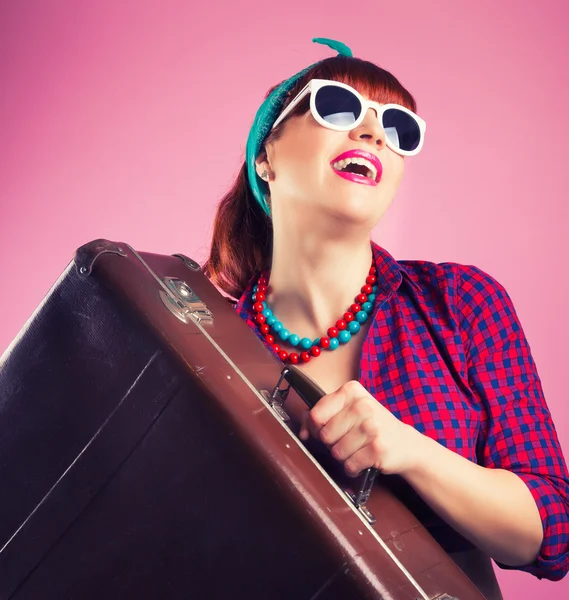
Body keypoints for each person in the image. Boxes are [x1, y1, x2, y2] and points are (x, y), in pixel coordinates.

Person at [203, 38, 569, 596]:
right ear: (265, 156)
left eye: (398, 128)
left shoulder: (462, 303)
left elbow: (551, 533)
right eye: (337, 107)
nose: (374, 133)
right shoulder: (210, 349)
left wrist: (409, 450)